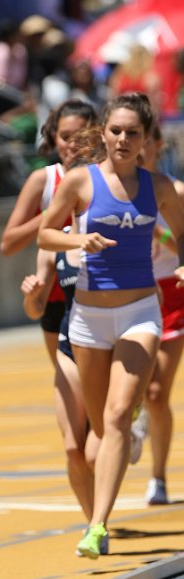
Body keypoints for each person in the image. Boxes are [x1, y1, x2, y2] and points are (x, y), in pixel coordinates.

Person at [38, 92, 184, 559]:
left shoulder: (159, 186)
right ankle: (125, 428)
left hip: (141, 312)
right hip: (88, 318)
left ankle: (98, 525)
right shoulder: (81, 182)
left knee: (119, 416)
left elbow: (181, 235)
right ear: (103, 133)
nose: (123, 139)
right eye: (116, 131)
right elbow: (44, 232)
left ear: (145, 139)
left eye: (133, 133)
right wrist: (80, 238)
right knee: (101, 426)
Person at [1, 99, 98, 365]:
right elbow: (8, 244)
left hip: (101, 291)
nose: (72, 144)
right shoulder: (43, 180)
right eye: (66, 137)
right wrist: (51, 213)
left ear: (95, 135)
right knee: (68, 386)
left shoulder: (106, 178)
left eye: (81, 136)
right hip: (55, 296)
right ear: (54, 138)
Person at [21, 244, 104, 550]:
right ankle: (95, 524)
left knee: (95, 453)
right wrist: (32, 295)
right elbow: (35, 308)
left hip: (106, 347)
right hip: (69, 343)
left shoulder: (109, 230)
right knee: (73, 448)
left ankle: (126, 418)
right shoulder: (51, 244)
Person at [138, 123, 184, 505]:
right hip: (129, 291)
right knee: (134, 388)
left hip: (170, 292)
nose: (137, 148)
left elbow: (179, 239)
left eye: (144, 140)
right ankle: (133, 423)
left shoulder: (174, 190)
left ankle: (158, 477)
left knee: (157, 392)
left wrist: (157, 233)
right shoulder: (114, 188)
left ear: (155, 145)